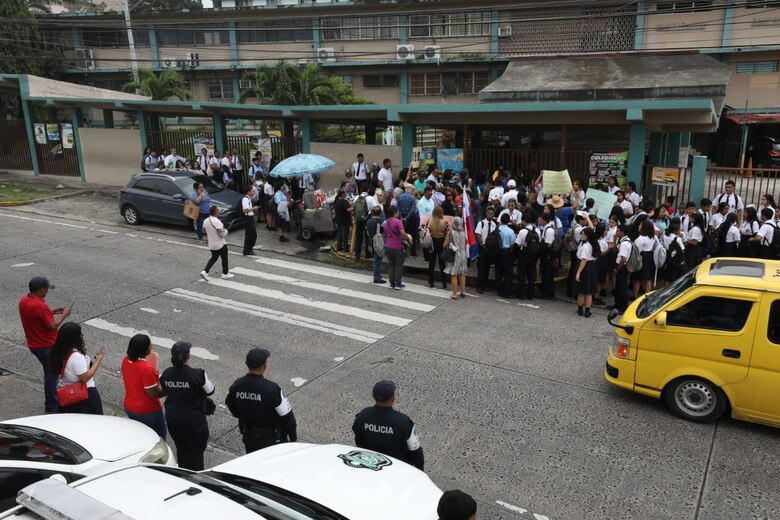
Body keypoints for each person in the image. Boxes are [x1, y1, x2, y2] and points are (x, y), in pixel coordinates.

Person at [226, 348, 297, 454]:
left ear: (247, 364)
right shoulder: (272, 389)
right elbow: (287, 417)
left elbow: (232, 406)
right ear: (265, 366)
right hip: (272, 439)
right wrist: (293, 438)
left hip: (249, 436)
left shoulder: (237, 386)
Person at [159, 341, 215, 471]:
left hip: (173, 418)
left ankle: (183, 471)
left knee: (181, 447)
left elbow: (165, 389)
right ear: (188, 356)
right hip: (194, 421)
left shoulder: (166, 373)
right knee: (196, 452)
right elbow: (210, 390)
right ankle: (195, 476)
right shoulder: (198, 374)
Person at [19, 276, 70, 413]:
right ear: (41, 290)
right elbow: (51, 326)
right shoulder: (39, 306)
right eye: (47, 289)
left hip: (34, 343)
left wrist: (52, 311)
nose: (47, 291)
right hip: (45, 346)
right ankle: (52, 406)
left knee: (51, 373)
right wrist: (64, 315)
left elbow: (36, 315)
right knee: (51, 375)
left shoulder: (24, 300)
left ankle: (53, 401)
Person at [352, 380, 424, 471]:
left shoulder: (362, 417)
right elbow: (415, 450)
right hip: (398, 468)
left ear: (374, 396)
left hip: (371, 466)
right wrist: (420, 472)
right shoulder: (403, 421)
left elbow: (359, 442)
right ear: (393, 398)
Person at [49, 322, 104, 415]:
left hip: (68, 393)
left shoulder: (57, 351)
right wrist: (98, 361)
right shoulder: (76, 357)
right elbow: (85, 378)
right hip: (84, 396)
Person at [122, 334, 166, 439]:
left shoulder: (125, 360)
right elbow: (154, 394)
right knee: (158, 439)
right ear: (145, 349)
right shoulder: (145, 369)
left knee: (140, 437)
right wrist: (169, 389)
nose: (151, 346)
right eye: (149, 345)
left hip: (130, 406)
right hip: (147, 411)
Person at [383, 206, 413, 290]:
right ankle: (398, 283)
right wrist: (409, 241)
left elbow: (385, 235)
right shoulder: (398, 222)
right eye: (397, 212)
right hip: (397, 246)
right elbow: (403, 234)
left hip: (388, 246)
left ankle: (391, 283)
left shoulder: (386, 223)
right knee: (398, 266)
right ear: (395, 212)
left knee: (391, 265)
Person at [575, 227, 601, 317]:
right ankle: (587, 310)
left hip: (584, 267)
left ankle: (580, 309)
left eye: (583, 234)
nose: (582, 235)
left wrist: (578, 272)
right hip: (591, 267)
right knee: (589, 291)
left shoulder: (585, 246)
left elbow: (584, 260)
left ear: (588, 236)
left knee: (582, 290)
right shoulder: (593, 244)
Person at [444, 216, 468, 299]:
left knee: (454, 274)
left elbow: (445, 244)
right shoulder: (463, 232)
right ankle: (463, 291)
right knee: (462, 273)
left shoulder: (451, 232)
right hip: (463, 255)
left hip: (455, 255)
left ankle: (454, 293)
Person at [475, 206, 497, 294]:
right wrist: (482, 244)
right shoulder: (481, 223)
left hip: (490, 249)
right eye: (488, 213)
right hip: (482, 247)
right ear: (486, 214)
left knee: (487, 267)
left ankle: (484, 284)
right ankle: (479, 285)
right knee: (481, 267)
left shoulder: (494, 225)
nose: (490, 215)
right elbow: (477, 234)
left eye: (492, 213)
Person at [632, 220, 656, 299]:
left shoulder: (640, 239)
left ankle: (635, 295)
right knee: (648, 278)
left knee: (637, 278)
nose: (639, 227)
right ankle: (647, 296)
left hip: (642, 256)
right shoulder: (652, 237)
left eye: (640, 225)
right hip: (650, 256)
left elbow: (637, 251)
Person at [610, 224, 632, 313]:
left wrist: (617, 269)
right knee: (619, 287)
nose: (616, 232)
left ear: (622, 232)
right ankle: (617, 304)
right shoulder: (622, 241)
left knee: (622, 287)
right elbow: (615, 249)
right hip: (621, 266)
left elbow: (623, 259)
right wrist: (615, 238)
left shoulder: (625, 243)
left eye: (618, 231)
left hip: (622, 267)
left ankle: (623, 307)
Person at [496, 213, 517, 298]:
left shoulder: (496, 229)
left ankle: (499, 290)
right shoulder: (510, 231)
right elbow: (512, 245)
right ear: (508, 221)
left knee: (499, 271)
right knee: (508, 272)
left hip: (498, 251)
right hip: (506, 252)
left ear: (501, 220)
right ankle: (507, 291)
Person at [396, 185, 419, 257]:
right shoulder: (413, 198)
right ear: (410, 190)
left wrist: (402, 217)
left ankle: (403, 251)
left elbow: (398, 208)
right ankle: (413, 253)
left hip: (402, 218)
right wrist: (407, 217)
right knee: (412, 235)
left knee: (403, 235)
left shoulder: (400, 197)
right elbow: (413, 210)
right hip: (411, 219)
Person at [366, 206, 386, 284]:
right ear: (380, 213)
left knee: (376, 260)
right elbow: (387, 229)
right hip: (378, 243)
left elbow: (367, 232)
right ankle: (377, 277)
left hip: (370, 242)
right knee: (378, 260)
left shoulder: (368, 221)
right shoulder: (381, 221)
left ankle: (377, 274)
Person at [241, 185, 259, 256]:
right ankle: (247, 249)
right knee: (251, 234)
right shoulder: (245, 199)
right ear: (248, 192)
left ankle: (248, 249)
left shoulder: (249, 199)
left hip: (250, 217)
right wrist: (253, 209)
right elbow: (244, 210)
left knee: (250, 234)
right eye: (252, 191)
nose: (253, 192)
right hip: (248, 218)